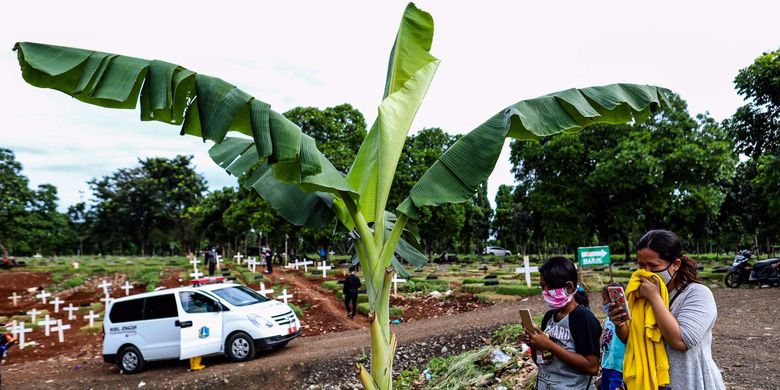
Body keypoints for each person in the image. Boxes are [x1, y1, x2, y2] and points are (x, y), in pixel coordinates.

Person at [609, 229, 725, 390]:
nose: (646, 273)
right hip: (650, 384)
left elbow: (681, 341)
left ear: (675, 265)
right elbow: (632, 340)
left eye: (653, 266)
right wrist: (620, 324)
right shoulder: (639, 294)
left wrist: (655, 298)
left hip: (691, 382)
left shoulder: (697, 294)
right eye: (641, 265)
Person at [524, 256, 602, 389]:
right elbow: (541, 362)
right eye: (543, 287)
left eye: (550, 287)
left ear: (569, 287)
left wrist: (549, 345)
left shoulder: (583, 317)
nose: (545, 292)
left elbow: (593, 367)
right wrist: (535, 345)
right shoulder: (550, 317)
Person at [600, 283, 626, 390]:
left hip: (619, 368)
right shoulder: (607, 321)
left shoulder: (625, 322)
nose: (603, 303)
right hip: (606, 365)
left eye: (605, 299)